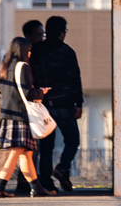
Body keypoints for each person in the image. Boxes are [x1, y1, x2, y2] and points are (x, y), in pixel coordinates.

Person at [30, 15, 83, 193]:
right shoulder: (67, 52)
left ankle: (46, 182)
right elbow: (75, 79)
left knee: (46, 146)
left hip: (44, 104)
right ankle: (62, 168)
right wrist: (79, 103)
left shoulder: (36, 50)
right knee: (73, 140)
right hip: (65, 104)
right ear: (61, 33)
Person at [0, 37, 52, 198]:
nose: (30, 52)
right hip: (20, 115)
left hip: (7, 114)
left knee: (25, 154)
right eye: (29, 49)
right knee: (16, 152)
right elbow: (28, 93)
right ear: (23, 50)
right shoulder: (23, 66)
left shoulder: (4, 67)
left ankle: (37, 188)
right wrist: (41, 93)